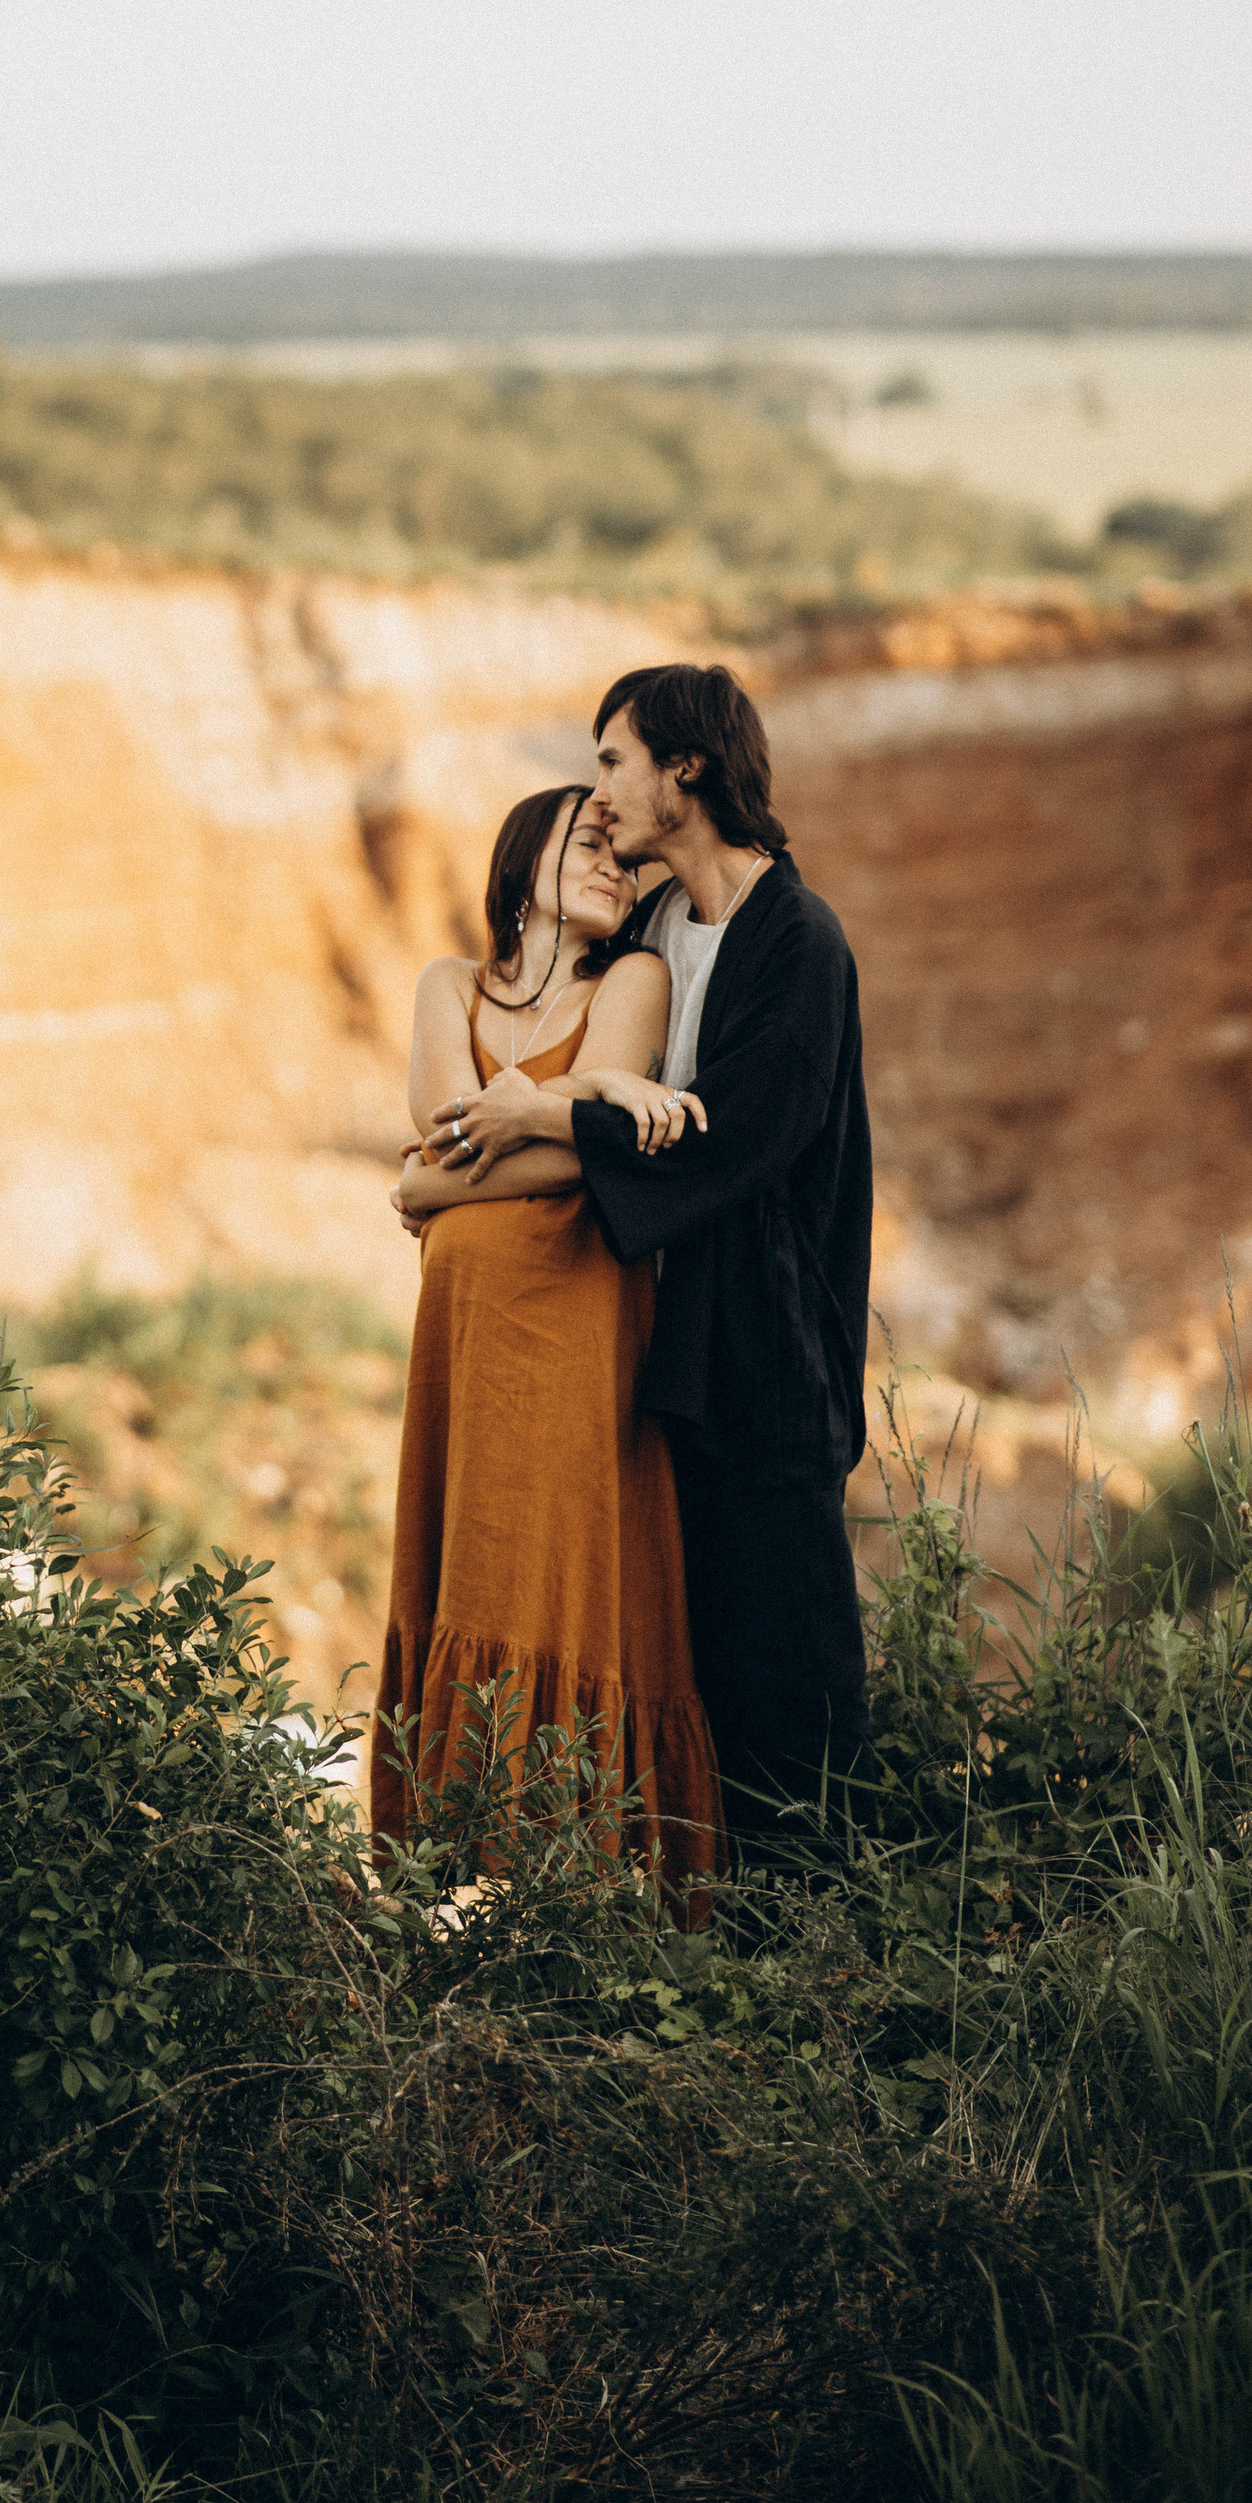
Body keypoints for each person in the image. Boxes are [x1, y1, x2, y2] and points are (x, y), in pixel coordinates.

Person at [425, 669, 874, 1865]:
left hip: (771, 1370)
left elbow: (733, 1138)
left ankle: (833, 1973)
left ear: (687, 767)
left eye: (613, 760)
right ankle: (703, 1956)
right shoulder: (657, 930)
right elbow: (570, 1041)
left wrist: (544, 1123)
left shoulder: (799, 943)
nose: (600, 793)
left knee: (796, 1704)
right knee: (700, 1683)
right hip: (668, 1363)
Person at [375, 783, 721, 1888]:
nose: (613, 868)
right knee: (466, 1563)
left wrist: (440, 1184)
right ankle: (452, 1872)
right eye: (588, 843)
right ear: (521, 857)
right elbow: (447, 1138)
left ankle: (566, 1884)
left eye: (622, 857)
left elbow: (577, 1156)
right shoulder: (445, 986)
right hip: (465, 1339)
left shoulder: (635, 977)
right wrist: (566, 1102)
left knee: (554, 1576)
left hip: (575, 1323)